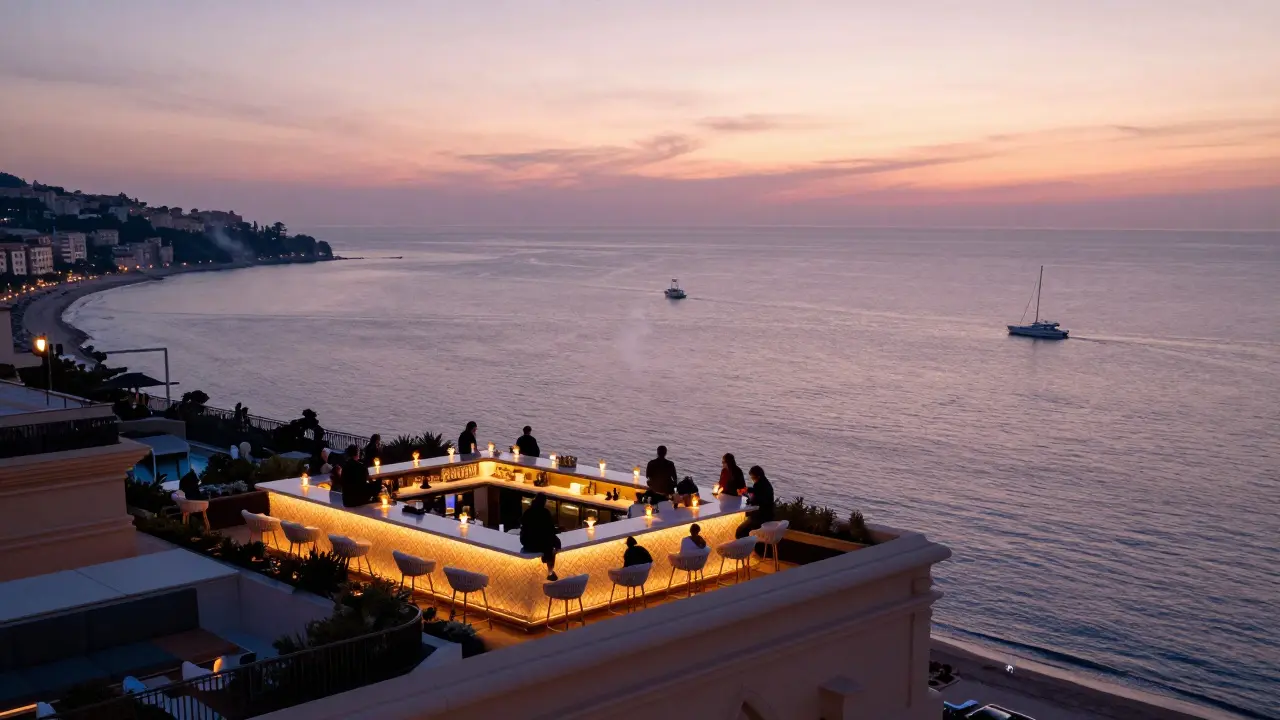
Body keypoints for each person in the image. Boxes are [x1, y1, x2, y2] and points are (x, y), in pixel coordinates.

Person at [519, 493, 561, 581]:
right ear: (544, 502)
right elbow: (550, 530)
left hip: (527, 542)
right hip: (540, 544)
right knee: (554, 545)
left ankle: (549, 567)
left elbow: (523, 525)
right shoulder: (545, 513)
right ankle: (550, 572)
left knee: (549, 541)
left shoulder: (528, 511)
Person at [736, 466, 776, 539]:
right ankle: (750, 545)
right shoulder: (766, 483)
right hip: (769, 516)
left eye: (752, 477)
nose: (752, 479)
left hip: (761, 517)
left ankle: (745, 547)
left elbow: (755, 501)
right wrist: (747, 489)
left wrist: (749, 499)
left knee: (740, 531)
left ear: (758, 476)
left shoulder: (758, 484)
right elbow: (757, 491)